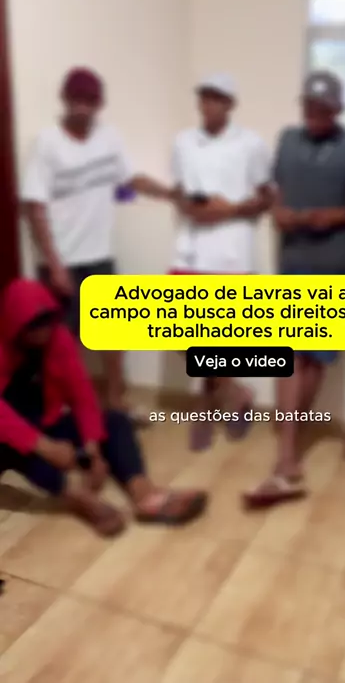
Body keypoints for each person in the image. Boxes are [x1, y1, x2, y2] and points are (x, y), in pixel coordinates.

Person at [22, 67, 173, 420]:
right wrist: (55, 265)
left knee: (112, 334)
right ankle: (60, 411)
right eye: (77, 99)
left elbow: (131, 178)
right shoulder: (47, 143)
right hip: (62, 260)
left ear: (99, 104)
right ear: (65, 99)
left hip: (99, 254)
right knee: (61, 342)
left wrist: (172, 194)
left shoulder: (109, 138)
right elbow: (34, 206)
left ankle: (116, 403)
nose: (83, 108)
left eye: (90, 101)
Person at [0, 279, 207, 535]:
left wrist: (93, 448)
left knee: (115, 420)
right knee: (20, 449)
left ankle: (145, 495)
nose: (43, 332)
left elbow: (81, 394)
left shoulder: (58, 337)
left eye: (47, 322)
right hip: (6, 438)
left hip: (42, 422)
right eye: (34, 326)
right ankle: (81, 499)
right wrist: (44, 446)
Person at [243, 71, 345, 509]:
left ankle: (291, 439)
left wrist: (330, 216)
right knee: (290, 354)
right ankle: (287, 454)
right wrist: (278, 211)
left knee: (315, 361)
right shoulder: (288, 139)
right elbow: (272, 189)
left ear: (338, 109)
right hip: (293, 263)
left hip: (336, 266)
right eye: (309, 106)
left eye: (322, 108)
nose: (314, 114)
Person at [170, 74, 272, 451]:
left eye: (217, 98)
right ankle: (235, 392)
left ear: (230, 104)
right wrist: (190, 208)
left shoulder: (251, 144)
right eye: (204, 97)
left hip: (232, 250)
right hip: (190, 247)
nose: (209, 104)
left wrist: (230, 209)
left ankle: (206, 407)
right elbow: (179, 192)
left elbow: (266, 197)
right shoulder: (183, 142)